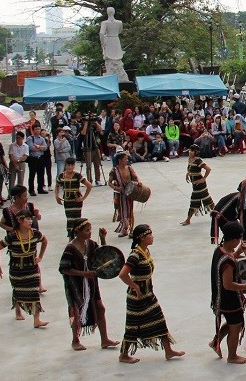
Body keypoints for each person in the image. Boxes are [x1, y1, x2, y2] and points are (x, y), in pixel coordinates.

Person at [117, 224, 183, 363]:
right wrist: (134, 286)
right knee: (133, 326)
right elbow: (123, 274)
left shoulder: (145, 252)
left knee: (159, 320)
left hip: (148, 293)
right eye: (150, 235)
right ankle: (123, 355)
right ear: (141, 238)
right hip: (137, 297)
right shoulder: (135, 255)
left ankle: (168, 351)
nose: (152, 237)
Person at [58, 219, 120, 351]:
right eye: (87, 230)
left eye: (90, 230)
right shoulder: (70, 248)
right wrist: (83, 274)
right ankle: (75, 340)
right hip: (76, 285)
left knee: (100, 308)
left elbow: (102, 255)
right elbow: (64, 269)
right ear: (78, 232)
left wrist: (103, 239)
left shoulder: (90, 244)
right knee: (76, 311)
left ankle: (104, 339)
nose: (90, 232)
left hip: (91, 284)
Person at [0, 210, 50, 327]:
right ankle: (18, 310)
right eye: (27, 219)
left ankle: (36, 320)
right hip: (16, 268)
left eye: (31, 219)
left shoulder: (35, 234)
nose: (30, 221)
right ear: (20, 221)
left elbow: (45, 241)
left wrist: (40, 256)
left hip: (32, 267)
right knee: (18, 290)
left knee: (34, 292)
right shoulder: (12, 236)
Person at [210, 220, 246, 364]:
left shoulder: (220, 250)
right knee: (235, 327)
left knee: (231, 323)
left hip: (219, 297)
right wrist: (245, 286)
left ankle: (215, 342)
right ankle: (232, 356)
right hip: (229, 300)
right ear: (235, 239)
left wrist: (238, 252)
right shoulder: (228, 262)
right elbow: (228, 284)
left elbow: (229, 256)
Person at [55, 158, 93, 238]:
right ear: (65, 165)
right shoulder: (61, 175)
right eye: (68, 165)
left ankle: (77, 237)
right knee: (69, 220)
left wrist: (83, 198)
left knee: (77, 220)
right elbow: (57, 185)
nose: (70, 167)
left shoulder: (77, 175)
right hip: (67, 201)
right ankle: (70, 237)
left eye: (72, 165)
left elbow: (89, 185)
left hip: (76, 201)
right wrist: (57, 196)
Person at [181, 145, 215, 226]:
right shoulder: (190, 159)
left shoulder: (198, 161)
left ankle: (188, 219)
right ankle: (219, 214)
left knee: (196, 201)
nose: (190, 152)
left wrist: (203, 178)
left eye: (192, 151)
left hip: (200, 185)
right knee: (207, 201)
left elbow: (208, 169)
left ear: (196, 152)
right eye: (190, 150)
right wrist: (188, 174)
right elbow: (191, 169)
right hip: (195, 185)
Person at [109, 152, 139, 237]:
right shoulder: (114, 170)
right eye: (125, 159)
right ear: (120, 160)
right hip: (120, 194)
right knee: (122, 212)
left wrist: (138, 183)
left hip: (130, 192)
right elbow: (109, 182)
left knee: (130, 212)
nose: (127, 160)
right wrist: (115, 188)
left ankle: (132, 229)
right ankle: (125, 229)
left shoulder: (129, 168)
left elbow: (135, 177)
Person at [26, 127, 49, 195]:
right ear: (33, 130)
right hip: (33, 158)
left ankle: (40, 188)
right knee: (32, 174)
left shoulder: (42, 139)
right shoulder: (30, 138)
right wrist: (40, 147)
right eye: (36, 129)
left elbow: (45, 148)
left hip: (40, 157)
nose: (37, 130)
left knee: (41, 173)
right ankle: (31, 190)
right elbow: (31, 148)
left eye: (38, 129)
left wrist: (38, 147)